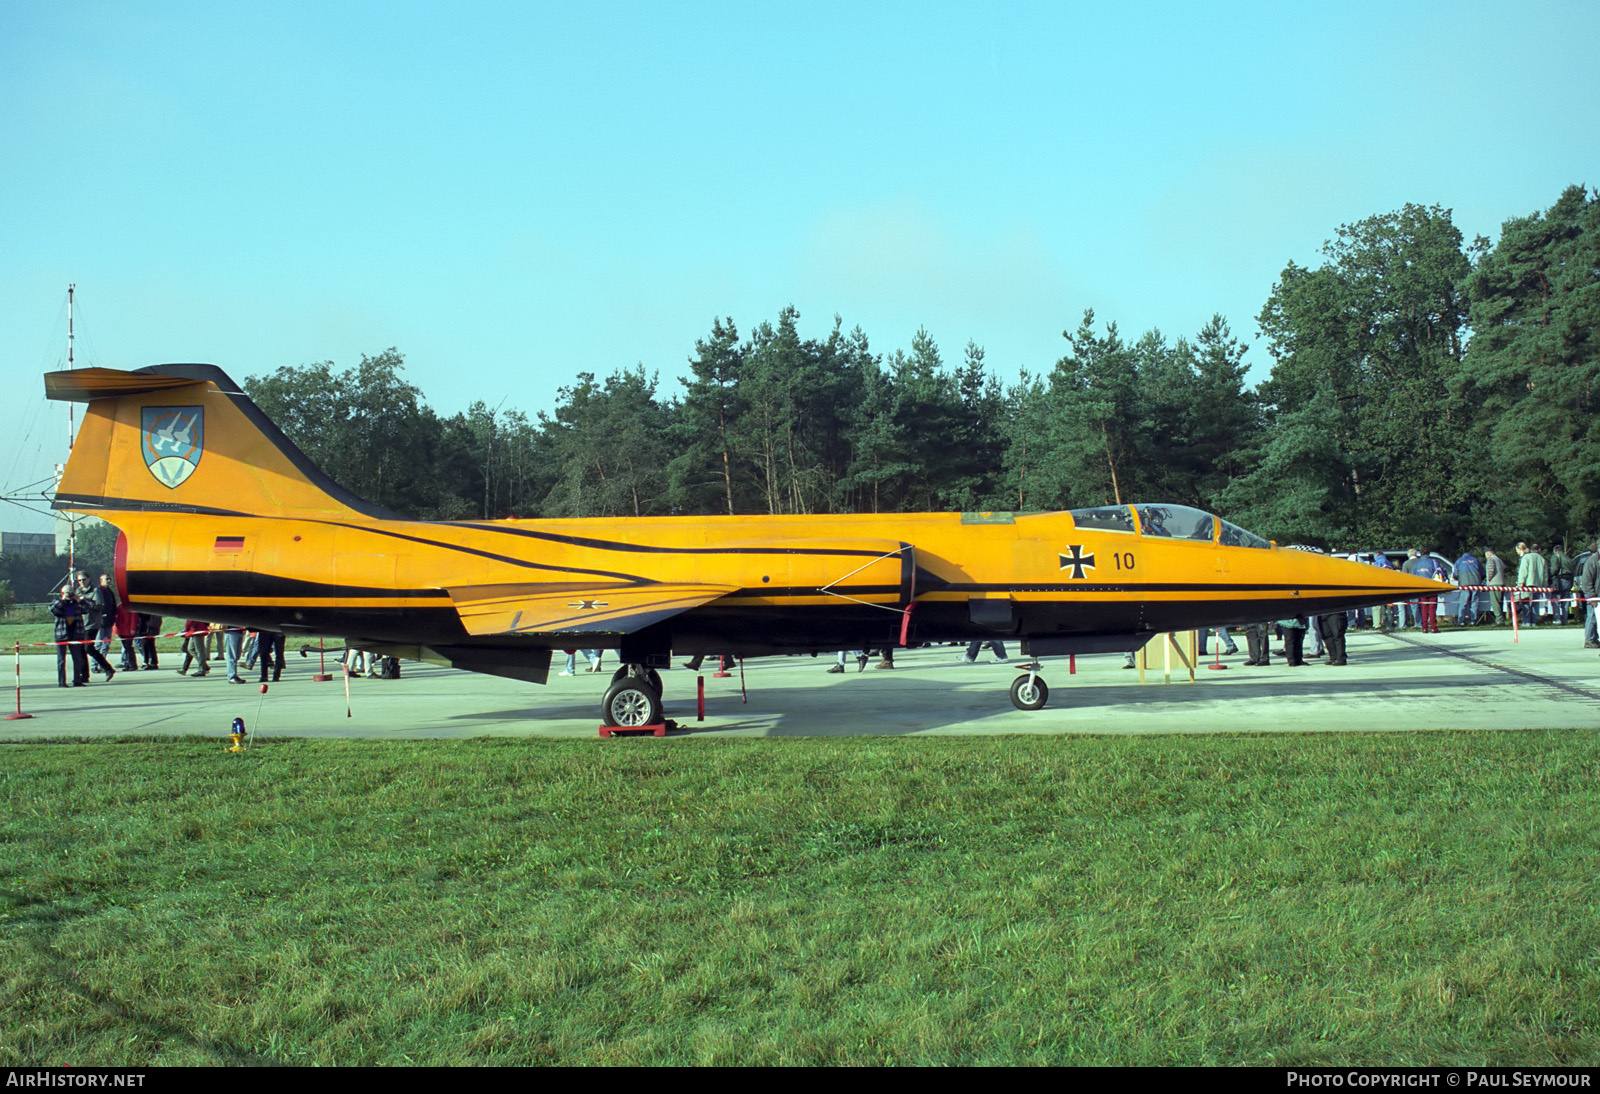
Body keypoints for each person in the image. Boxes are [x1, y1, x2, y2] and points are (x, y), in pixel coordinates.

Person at [51, 584, 91, 687]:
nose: (69, 595)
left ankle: (77, 680)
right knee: (61, 660)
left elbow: (86, 609)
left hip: (75, 634)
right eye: (67, 593)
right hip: (62, 635)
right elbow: (53, 609)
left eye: (70, 592)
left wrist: (80, 600)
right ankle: (61, 681)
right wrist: (63, 599)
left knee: (77, 659)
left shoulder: (76, 603)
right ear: (62, 593)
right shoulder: (59, 603)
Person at [1579, 539, 1599, 650]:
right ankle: (1589, 639)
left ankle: (1595, 638)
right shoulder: (1592, 561)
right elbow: (1586, 581)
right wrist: (1592, 596)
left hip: (1597, 593)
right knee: (1592, 617)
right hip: (1593, 594)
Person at [1454, 550, 1484, 625]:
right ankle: (1473, 620)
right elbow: (1483, 573)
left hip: (1464, 584)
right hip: (1476, 583)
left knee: (1463, 602)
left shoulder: (1459, 561)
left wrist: (1459, 579)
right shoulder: (1475, 560)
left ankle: (1461, 620)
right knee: (1474, 602)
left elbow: (1455, 574)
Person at [1484, 547, 1507, 625]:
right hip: (1501, 583)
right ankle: (1502, 619)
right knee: (1500, 602)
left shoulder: (1490, 559)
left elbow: (1490, 571)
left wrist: (1488, 580)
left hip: (1494, 584)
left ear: (1488, 553)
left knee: (1495, 603)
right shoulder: (1499, 560)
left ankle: (1499, 620)